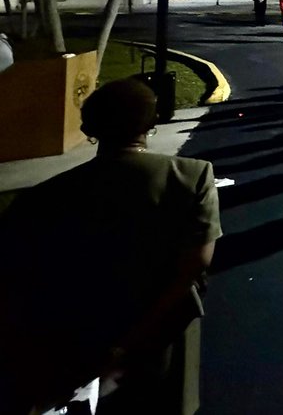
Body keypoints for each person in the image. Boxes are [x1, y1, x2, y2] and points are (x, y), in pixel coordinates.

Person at [0, 80, 221, 415]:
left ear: (90, 128)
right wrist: (132, 341)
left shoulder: (44, 196)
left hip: (77, 338)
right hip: (160, 333)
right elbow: (196, 264)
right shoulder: (191, 176)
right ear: (151, 122)